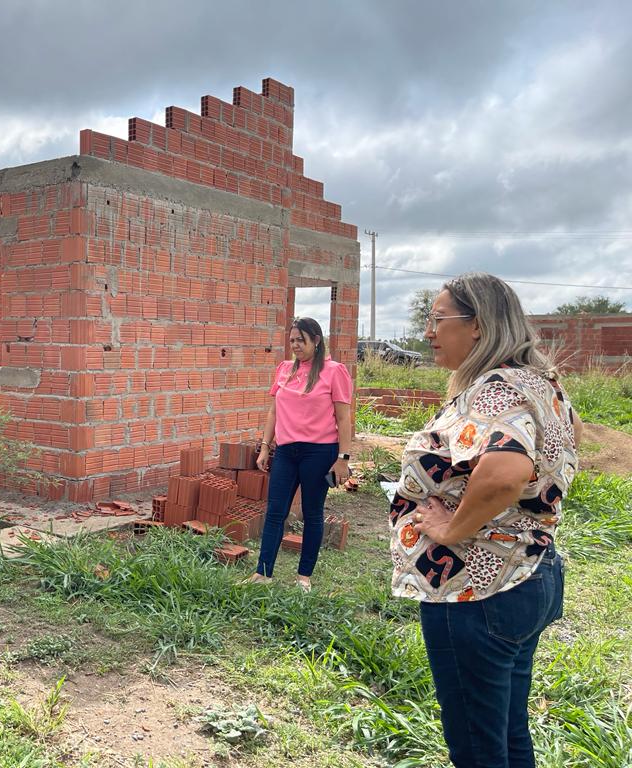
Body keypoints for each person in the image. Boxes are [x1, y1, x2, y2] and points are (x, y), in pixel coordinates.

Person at [390, 272, 582, 768]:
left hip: (478, 590)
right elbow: (569, 436)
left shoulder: (494, 389)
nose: (428, 331)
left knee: (477, 749)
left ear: (477, 325)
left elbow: (505, 472)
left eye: (438, 319)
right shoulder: (538, 382)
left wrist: (452, 528)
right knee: (508, 734)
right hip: (529, 571)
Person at [248, 317, 353, 590]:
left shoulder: (334, 371)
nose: (295, 345)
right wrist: (265, 446)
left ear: (316, 341)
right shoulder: (284, 369)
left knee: (312, 513)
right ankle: (263, 573)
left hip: (318, 453)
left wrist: (343, 460)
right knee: (275, 512)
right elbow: (274, 411)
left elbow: (343, 419)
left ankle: (303, 577)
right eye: (292, 340)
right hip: (286, 451)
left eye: (300, 340)